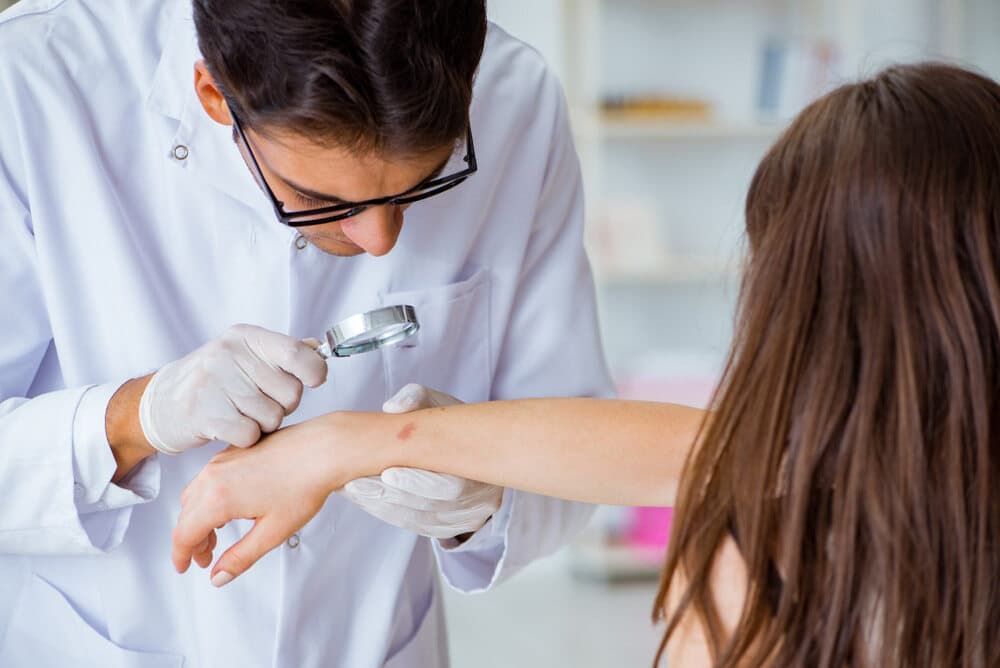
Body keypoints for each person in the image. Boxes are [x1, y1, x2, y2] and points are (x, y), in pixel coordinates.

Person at [174, 63, 1000, 668]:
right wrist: (366, 442)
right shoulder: (837, 492)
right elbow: (734, 450)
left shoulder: (752, 572)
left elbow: (732, 455)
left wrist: (357, 444)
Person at [0, 1, 614, 666]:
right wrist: (137, 416)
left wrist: (483, 497)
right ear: (211, 92)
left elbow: (581, 446)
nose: (381, 241)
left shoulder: (515, 95)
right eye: (323, 200)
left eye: (424, 186)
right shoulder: (33, 82)